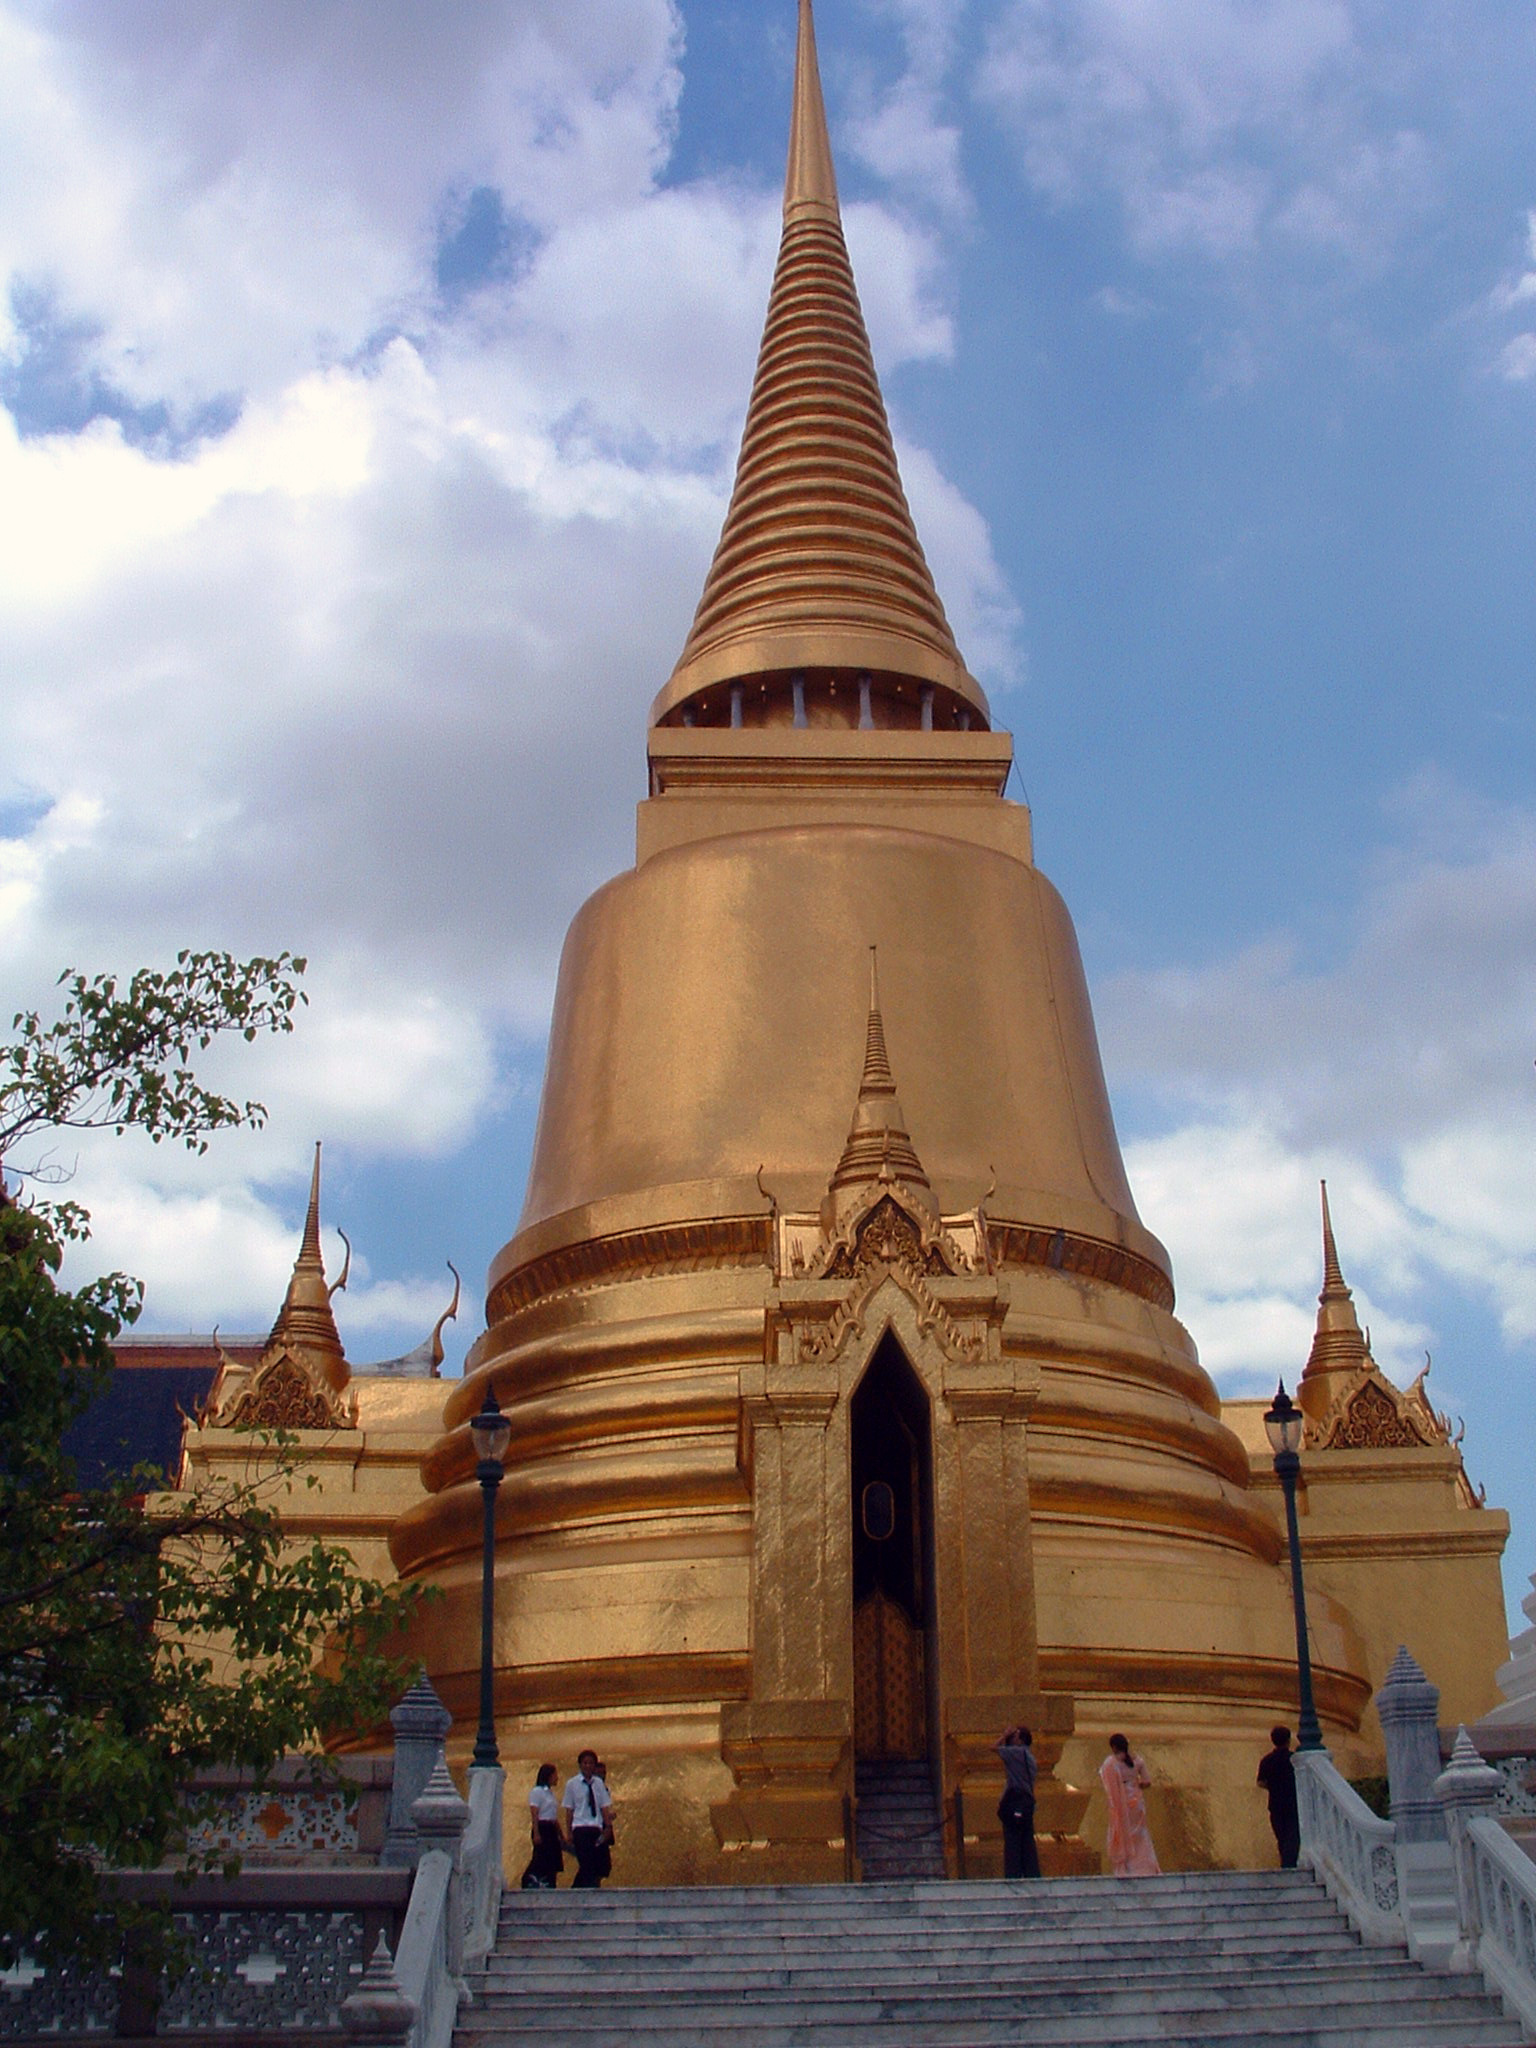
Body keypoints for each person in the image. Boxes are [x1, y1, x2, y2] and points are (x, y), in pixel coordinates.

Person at [1100, 1733, 1160, 1877]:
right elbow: (1147, 1782)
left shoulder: (1111, 1763)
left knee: (1123, 1833)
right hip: (1136, 1802)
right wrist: (1135, 1784)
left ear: (1114, 1747)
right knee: (1140, 1836)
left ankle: (1128, 1868)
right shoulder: (1138, 1761)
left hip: (1121, 1804)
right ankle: (1145, 1867)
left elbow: (1106, 1780)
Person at [561, 1749, 615, 1889]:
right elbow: (569, 1810)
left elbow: (604, 1807)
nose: (587, 1766)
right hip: (580, 1827)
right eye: (585, 1763)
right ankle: (578, 1890)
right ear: (580, 1765)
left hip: (596, 1827)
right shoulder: (572, 1784)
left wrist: (608, 1827)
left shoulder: (599, 1784)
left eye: (591, 1763)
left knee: (599, 1863)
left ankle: (585, 1888)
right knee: (586, 1861)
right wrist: (569, 1832)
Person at [994, 1724, 1040, 1878]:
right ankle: (1031, 1874)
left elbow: (993, 1748)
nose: (1011, 1739)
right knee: (1027, 1841)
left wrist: (1003, 1735)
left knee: (1012, 1841)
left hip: (1015, 1802)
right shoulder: (1030, 1758)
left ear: (1020, 1740)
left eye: (1014, 1736)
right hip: (1027, 1803)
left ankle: (1013, 1874)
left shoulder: (1016, 1753)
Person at [1257, 1725, 1300, 1868]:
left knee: (1281, 1836)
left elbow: (1261, 1782)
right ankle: (1289, 1863)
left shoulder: (1267, 1760)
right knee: (1292, 1835)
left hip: (1275, 1803)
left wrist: (1273, 1786)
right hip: (1292, 1802)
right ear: (1288, 1740)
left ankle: (1285, 1862)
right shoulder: (1294, 1759)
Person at [520, 1762, 564, 1889]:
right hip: (542, 1827)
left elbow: (553, 1816)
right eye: (554, 1775)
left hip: (551, 1828)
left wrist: (561, 1834)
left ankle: (549, 1881)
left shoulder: (550, 1793)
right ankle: (530, 1880)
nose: (556, 1778)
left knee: (552, 1858)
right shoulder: (537, 1792)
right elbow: (535, 1812)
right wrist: (536, 1832)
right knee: (541, 1856)